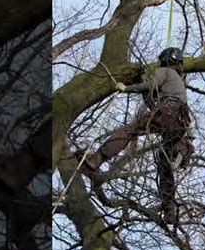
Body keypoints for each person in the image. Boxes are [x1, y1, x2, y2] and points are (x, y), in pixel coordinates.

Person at [76, 47, 194, 223]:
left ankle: (96, 159)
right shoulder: (179, 81)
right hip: (179, 124)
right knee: (164, 164)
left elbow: (150, 86)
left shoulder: (165, 71)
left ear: (166, 60)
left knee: (130, 130)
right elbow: (151, 96)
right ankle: (169, 208)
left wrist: (127, 87)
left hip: (167, 111)